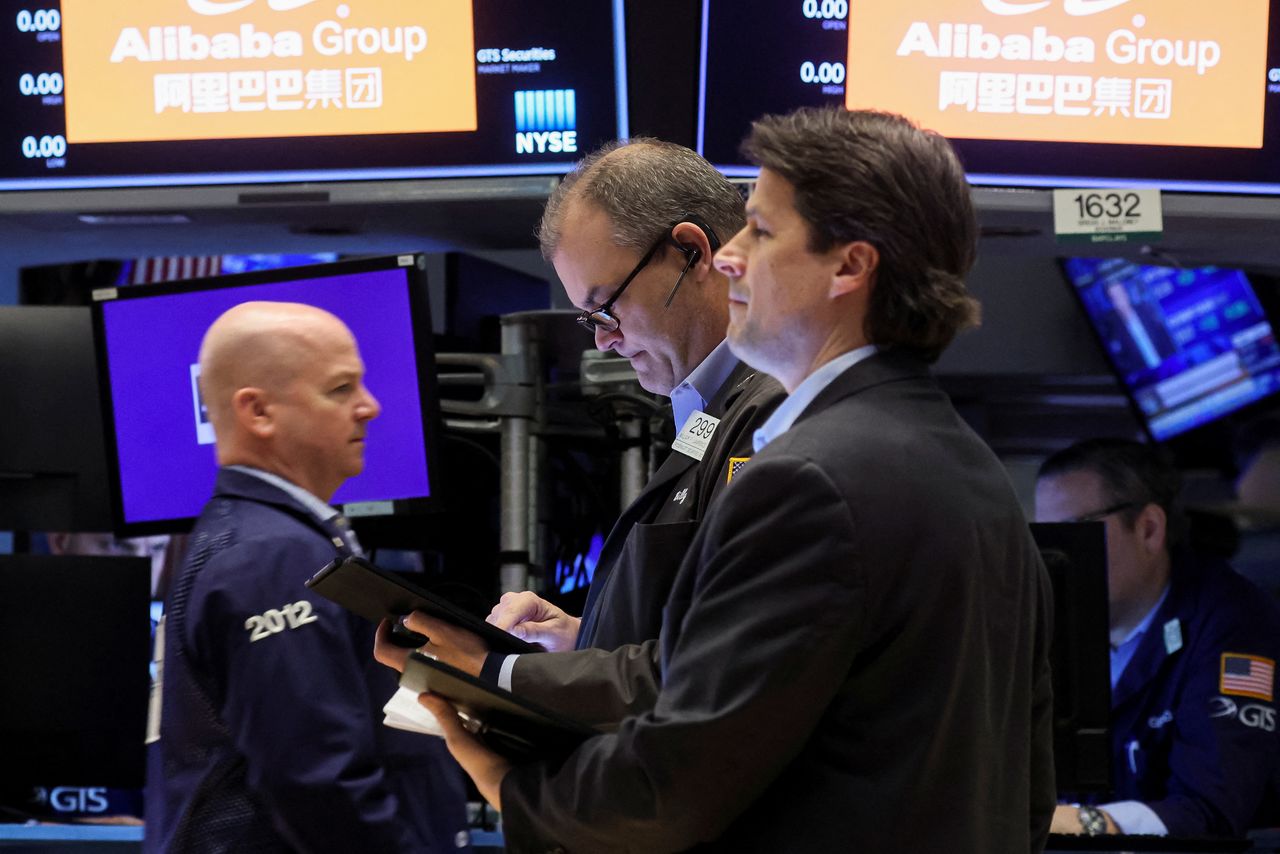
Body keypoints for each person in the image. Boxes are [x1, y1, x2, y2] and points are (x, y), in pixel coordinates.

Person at [415, 107, 1056, 852]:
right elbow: (1030, 774)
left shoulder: (812, 478)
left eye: (760, 229)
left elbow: (675, 780)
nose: (729, 256)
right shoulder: (970, 467)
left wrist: (507, 780)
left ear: (849, 265)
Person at [377, 138, 785, 726]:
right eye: (588, 319)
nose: (602, 340)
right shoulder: (707, 409)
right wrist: (585, 637)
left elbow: (725, 668)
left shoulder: (776, 414)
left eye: (605, 307)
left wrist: (497, 672)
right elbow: (685, 629)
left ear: (691, 254)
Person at [144, 302, 469, 853]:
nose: (369, 406)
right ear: (258, 412)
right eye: (341, 389)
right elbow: (317, 781)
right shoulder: (270, 556)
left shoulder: (268, 537)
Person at [1035, 437, 1280, 838]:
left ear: (1149, 529)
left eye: (1072, 532)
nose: (1055, 555)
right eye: (1045, 537)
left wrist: (1083, 824)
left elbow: (1211, 811)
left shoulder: (1232, 621)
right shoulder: (1057, 630)